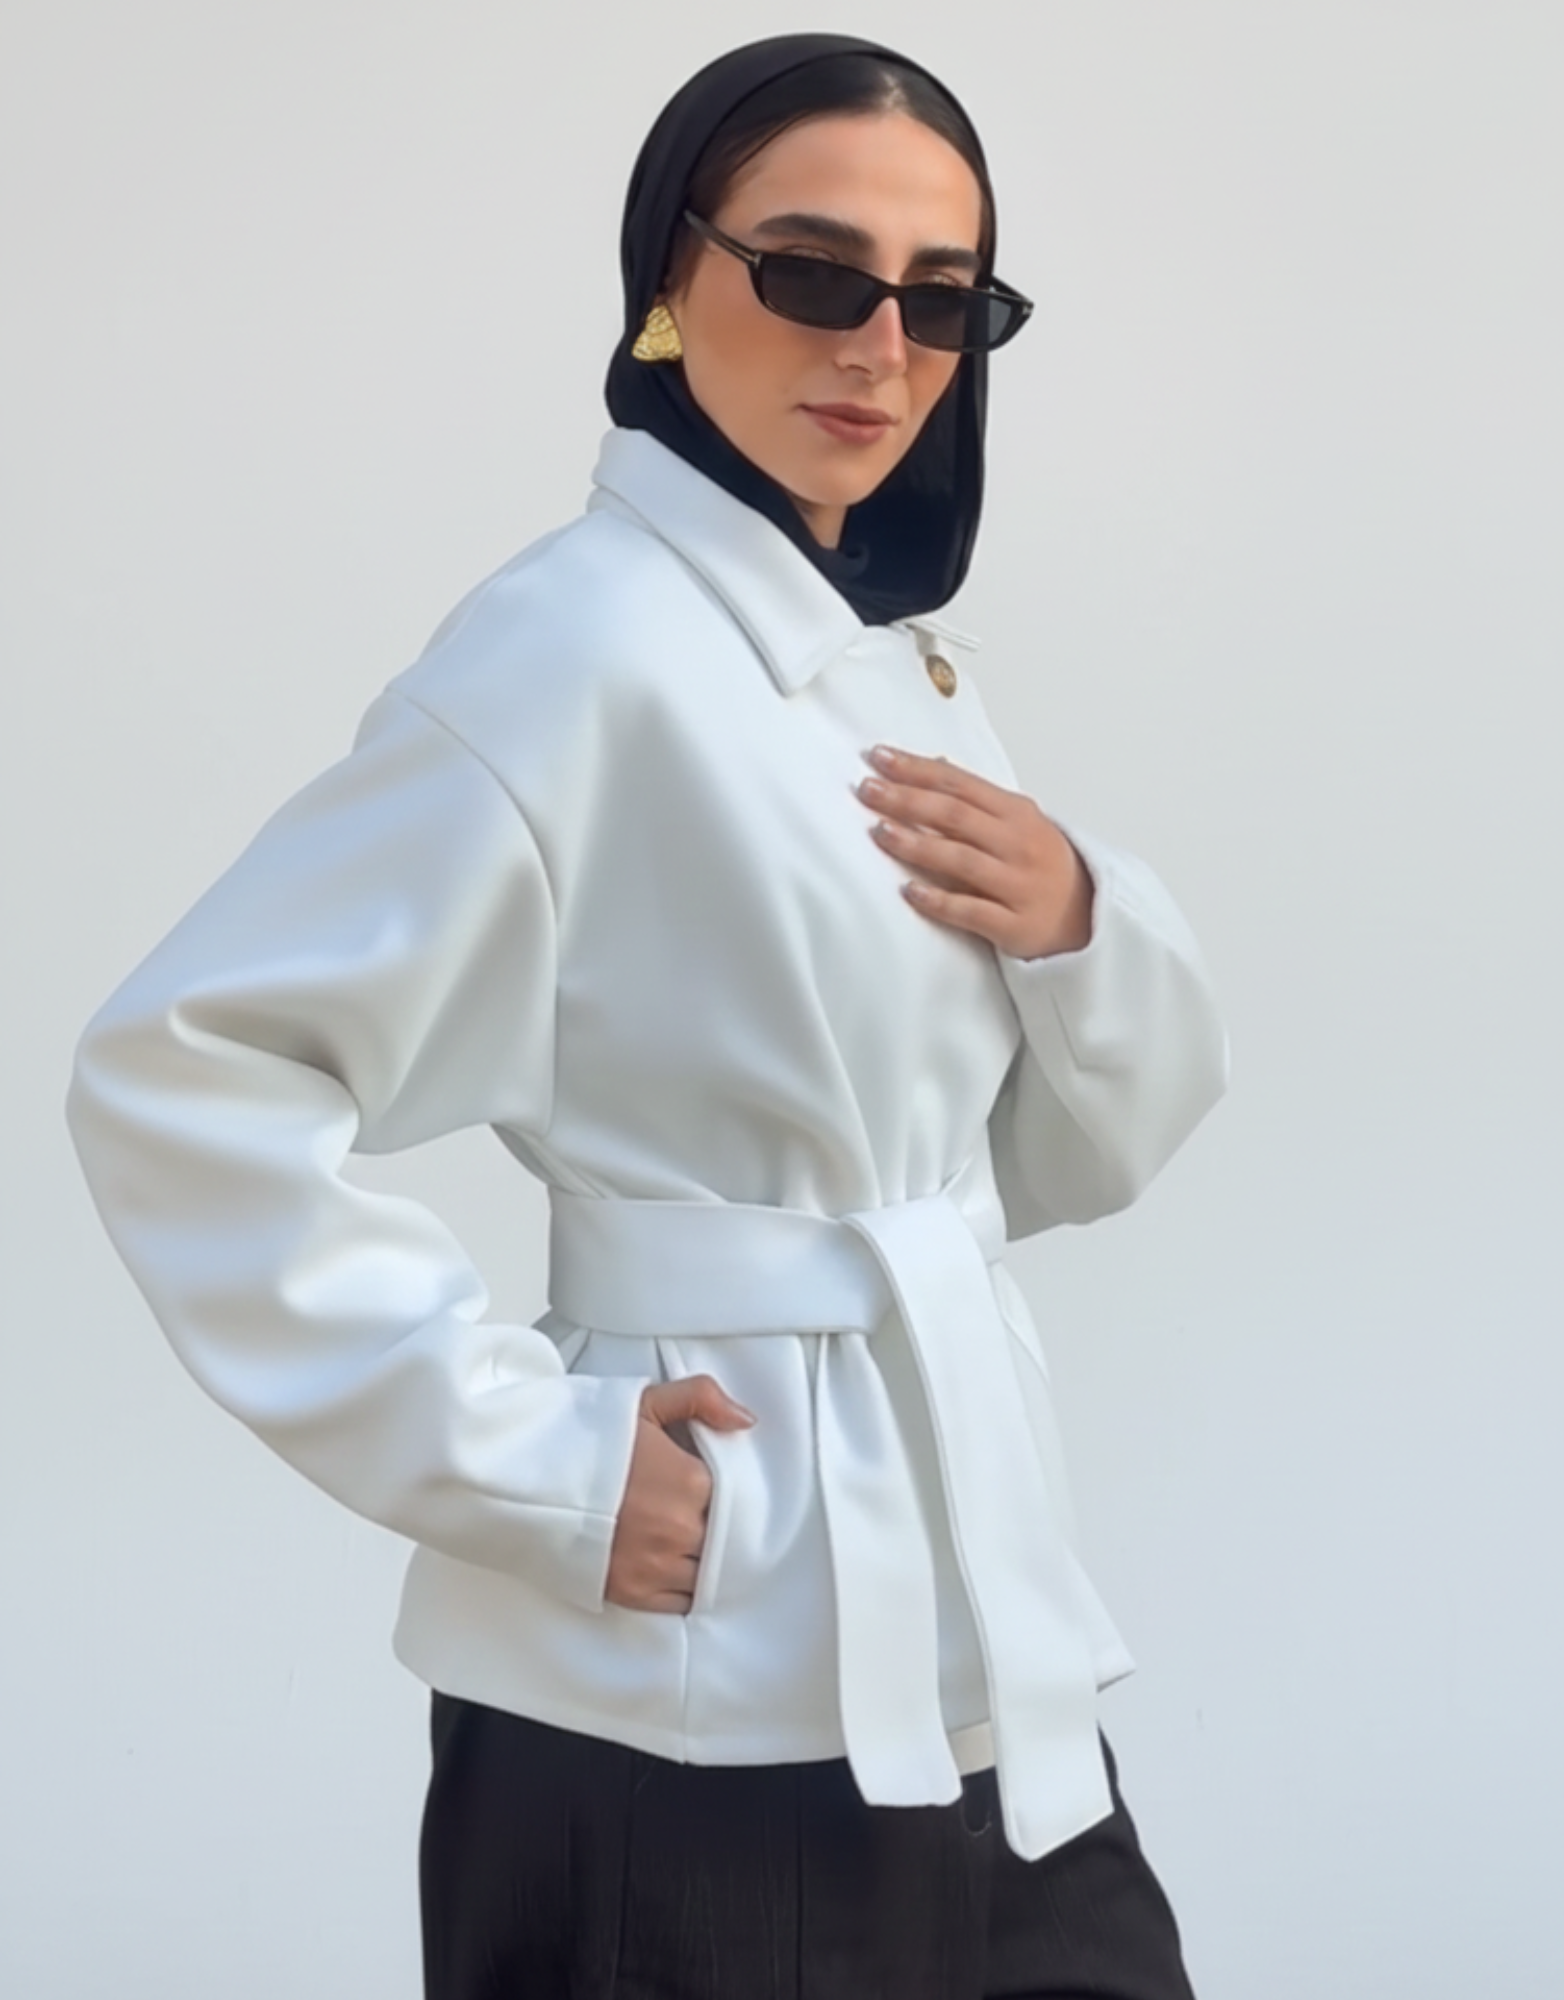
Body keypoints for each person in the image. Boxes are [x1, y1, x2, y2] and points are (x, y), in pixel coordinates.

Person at [66, 31, 1228, 2000]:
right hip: (685, 1710)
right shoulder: (569, 652)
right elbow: (185, 1072)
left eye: (943, 299)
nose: (882, 345)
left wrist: (1079, 926)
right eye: (814, 271)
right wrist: (538, 1460)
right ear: (668, 283)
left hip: (980, 1654)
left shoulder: (900, 677)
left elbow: (1044, 1165)